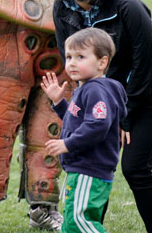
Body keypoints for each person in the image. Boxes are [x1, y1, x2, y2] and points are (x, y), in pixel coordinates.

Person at [52, 0, 152, 232]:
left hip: (148, 91)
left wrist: (124, 116)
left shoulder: (128, 6)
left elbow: (143, 65)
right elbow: (71, 62)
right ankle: (88, 226)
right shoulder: (62, 7)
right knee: (92, 165)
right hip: (101, 95)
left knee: (135, 168)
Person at [41, 27, 127, 233]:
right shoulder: (88, 88)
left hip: (88, 169)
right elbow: (76, 120)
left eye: (81, 56)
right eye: (69, 56)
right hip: (85, 170)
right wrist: (59, 102)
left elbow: (97, 125)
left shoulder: (95, 90)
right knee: (74, 222)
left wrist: (67, 144)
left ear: (102, 62)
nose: (72, 62)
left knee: (76, 223)